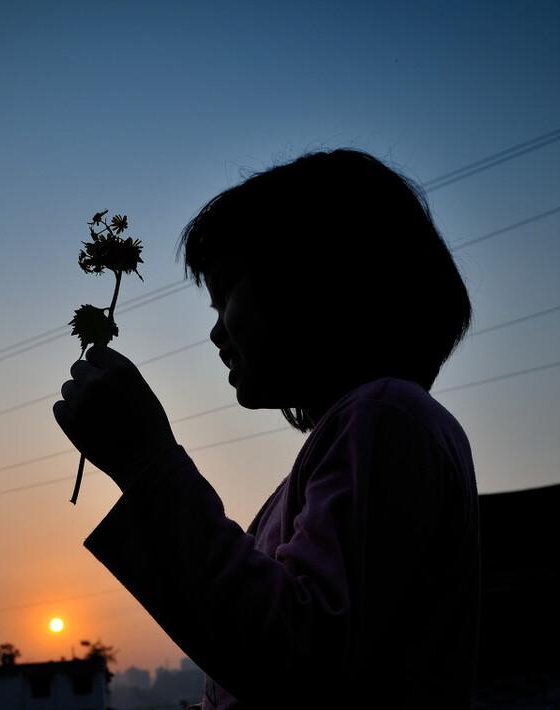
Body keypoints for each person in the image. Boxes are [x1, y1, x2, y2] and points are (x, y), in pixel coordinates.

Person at [53, 149, 479, 708]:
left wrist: (148, 463)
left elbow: (302, 657)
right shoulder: (362, 431)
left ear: (314, 277)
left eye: (227, 290)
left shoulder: (386, 416)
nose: (215, 334)